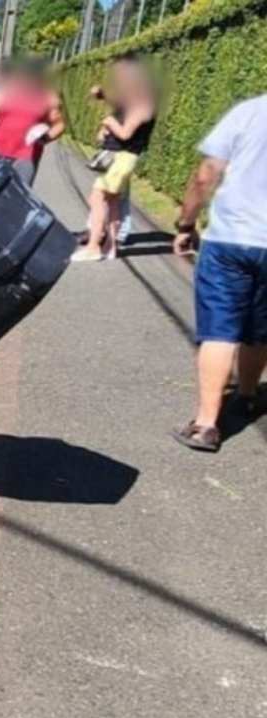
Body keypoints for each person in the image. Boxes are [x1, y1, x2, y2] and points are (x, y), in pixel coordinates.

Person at [171, 93, 267, 452]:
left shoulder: (249, 112)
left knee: (219, 331)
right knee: (260, 328)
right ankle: (246, 395)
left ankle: (206, 425)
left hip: (230, 239)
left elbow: (206, 175)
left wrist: (186, 223)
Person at [73, 57, 156, 261]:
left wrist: (110, 122)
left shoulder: (142, 104)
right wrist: (102, 95)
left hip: (122, 159)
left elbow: (126, 133)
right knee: (112, 202)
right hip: (120, 158)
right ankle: (110, 247)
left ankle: (93, 246)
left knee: (97, 198)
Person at [0, 58, 65, 186]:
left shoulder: (49, 97)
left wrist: (46, 138)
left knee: (18, 192)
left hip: (27, 158)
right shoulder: (6, 92)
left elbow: (60, 124)